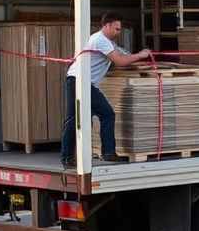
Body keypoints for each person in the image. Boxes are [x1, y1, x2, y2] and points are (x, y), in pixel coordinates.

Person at [61, 12, 151, 168]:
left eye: (119, 29)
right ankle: (99, 153)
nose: (119, 32)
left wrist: (140, 62)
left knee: (85, 118)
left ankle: (84, 155)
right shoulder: (100, 40)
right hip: (79, 82)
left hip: (84, 83)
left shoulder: (109, 43)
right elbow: (120, 61)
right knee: (100, 115)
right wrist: (141, 55)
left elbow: (124, 57)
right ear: (107, 25)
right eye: (116, 29)